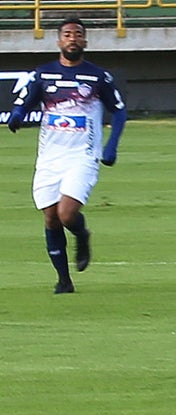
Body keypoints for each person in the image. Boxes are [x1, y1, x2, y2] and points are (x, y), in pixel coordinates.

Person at [8, 16, 127, 294]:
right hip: (50, 156)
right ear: (59, 41)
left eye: (78, 34)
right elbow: (24, 101)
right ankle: (64, 280)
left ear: (85, 41)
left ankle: (82, 235)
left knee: (66, 213)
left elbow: (119, 112)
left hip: (82, 156)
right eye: (68, 34)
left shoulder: (98, 76)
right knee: (51, 217)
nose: (73, 38)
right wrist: (17, 114)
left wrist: (111, 146)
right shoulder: (43, 74)